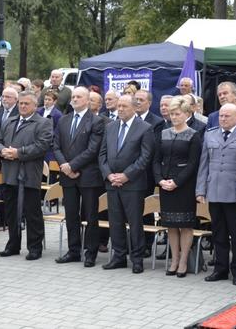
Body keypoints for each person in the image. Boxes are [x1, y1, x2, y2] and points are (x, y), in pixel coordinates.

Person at [196, 103, 236, 285]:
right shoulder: (210, 134)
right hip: (214, 190)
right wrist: (200, 190)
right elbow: (204, 164)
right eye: (221, 116)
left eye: (227, 116)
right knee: (218, 232)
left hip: (235, 192)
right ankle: (220, 269)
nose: (223, 119)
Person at [99, 94, 155, 274]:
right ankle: (119, 256)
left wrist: (126, 175)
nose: (120, 109)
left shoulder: (145, 128)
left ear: (134, 107)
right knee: (115, 221)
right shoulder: (110, 126)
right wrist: (108, 175)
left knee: (135, 222)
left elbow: (145, 157)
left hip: (133, 184)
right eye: (119, 106)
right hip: (112, 183)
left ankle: (137, 258)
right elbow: (102, 155)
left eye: (124, 106)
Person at [0, 91, 53, 260]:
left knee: (32, 212)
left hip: (29, 174)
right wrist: (1, 151)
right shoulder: (9, 121)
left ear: (35, 106)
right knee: (11, 211)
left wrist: (18, 153)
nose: (22, 106)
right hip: (10, 173)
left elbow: (42, 146)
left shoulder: (43, 123)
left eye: (27, 103)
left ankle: (35, 247)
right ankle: (13, 244)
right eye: (20, 103)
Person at [53, 87, 105, 267]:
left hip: (88, 176)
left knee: (91, 216)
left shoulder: (97, 121)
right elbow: (56, 146)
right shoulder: (64, 120)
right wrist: (65, 166)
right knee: (71, 215)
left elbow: (93, 150)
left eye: (79, 96)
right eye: (73, 96)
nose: (74, 99)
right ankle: (73, 250)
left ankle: (91, 252)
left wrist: (73, 165)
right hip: (68, 176)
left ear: (88, 100)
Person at [153, 96, 201, 277]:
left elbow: (192, 164)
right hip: (165, 185)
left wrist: (177, 182)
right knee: (171, 225)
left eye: (177, 114)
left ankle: (183, 262)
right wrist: (160, 180)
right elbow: (156, 160)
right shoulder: (164, 133)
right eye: (172, 114)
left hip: (184, 187)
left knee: (185, 225)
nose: (173, 117)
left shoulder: (194, 135)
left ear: (187, 114)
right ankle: (173, 260)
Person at [134, 89, 165, 257]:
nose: (137, 102)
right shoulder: (129, 119)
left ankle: (146, 244)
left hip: (146, 174)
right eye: (135, 99)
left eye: (141, 99)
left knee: (145, 210)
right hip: (129, 174)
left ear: (149, 103)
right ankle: (132, 242)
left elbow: (154, 149)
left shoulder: (157, 122)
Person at [0, 86, 19, 228]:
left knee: (12, 189)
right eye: (3, 96)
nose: (4, 99)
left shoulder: (19, 112)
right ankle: (0, 217)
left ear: (15, 99)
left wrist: (7, 151)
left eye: (8, 97)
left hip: (13, 156)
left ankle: (15, 218)